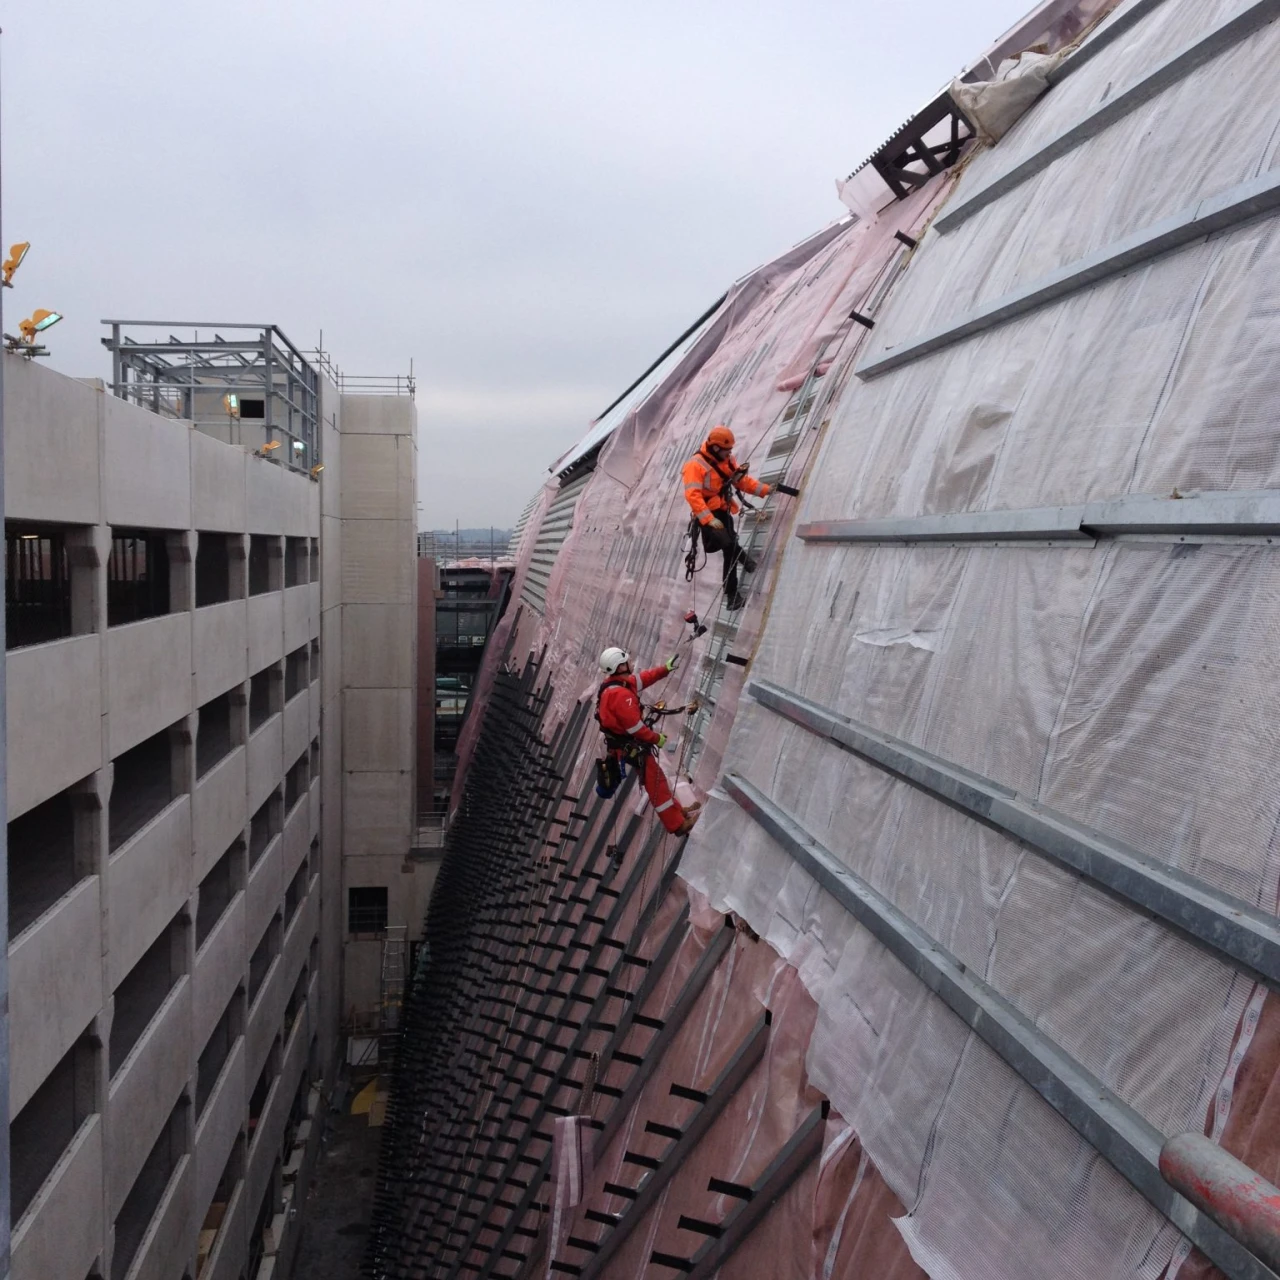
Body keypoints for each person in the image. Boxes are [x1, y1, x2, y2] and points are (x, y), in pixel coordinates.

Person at [595, 646, 701, 836]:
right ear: (619, 667)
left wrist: (665, 669)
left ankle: (677, 812)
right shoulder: (620, 695)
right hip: (630, 745)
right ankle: (676, 825)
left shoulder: (616, 685)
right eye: (627, 661)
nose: (631, 663)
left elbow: (643, 678)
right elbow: (634, 727)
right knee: (656, 783)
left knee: (657, 779)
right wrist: (656, 739)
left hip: (624, 745)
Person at [681, 425, 770, 610]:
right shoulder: (694, 465)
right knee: (727, 545)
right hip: (706, 512)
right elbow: (692, 495)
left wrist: (764, 490)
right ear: (715, 448)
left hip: (721, 507)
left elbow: (741, 481)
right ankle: (732, 593)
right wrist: (707, 519)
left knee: (730, 543)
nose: (730, 453)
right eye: (726, 450)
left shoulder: (727, 460)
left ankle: (741, 571)